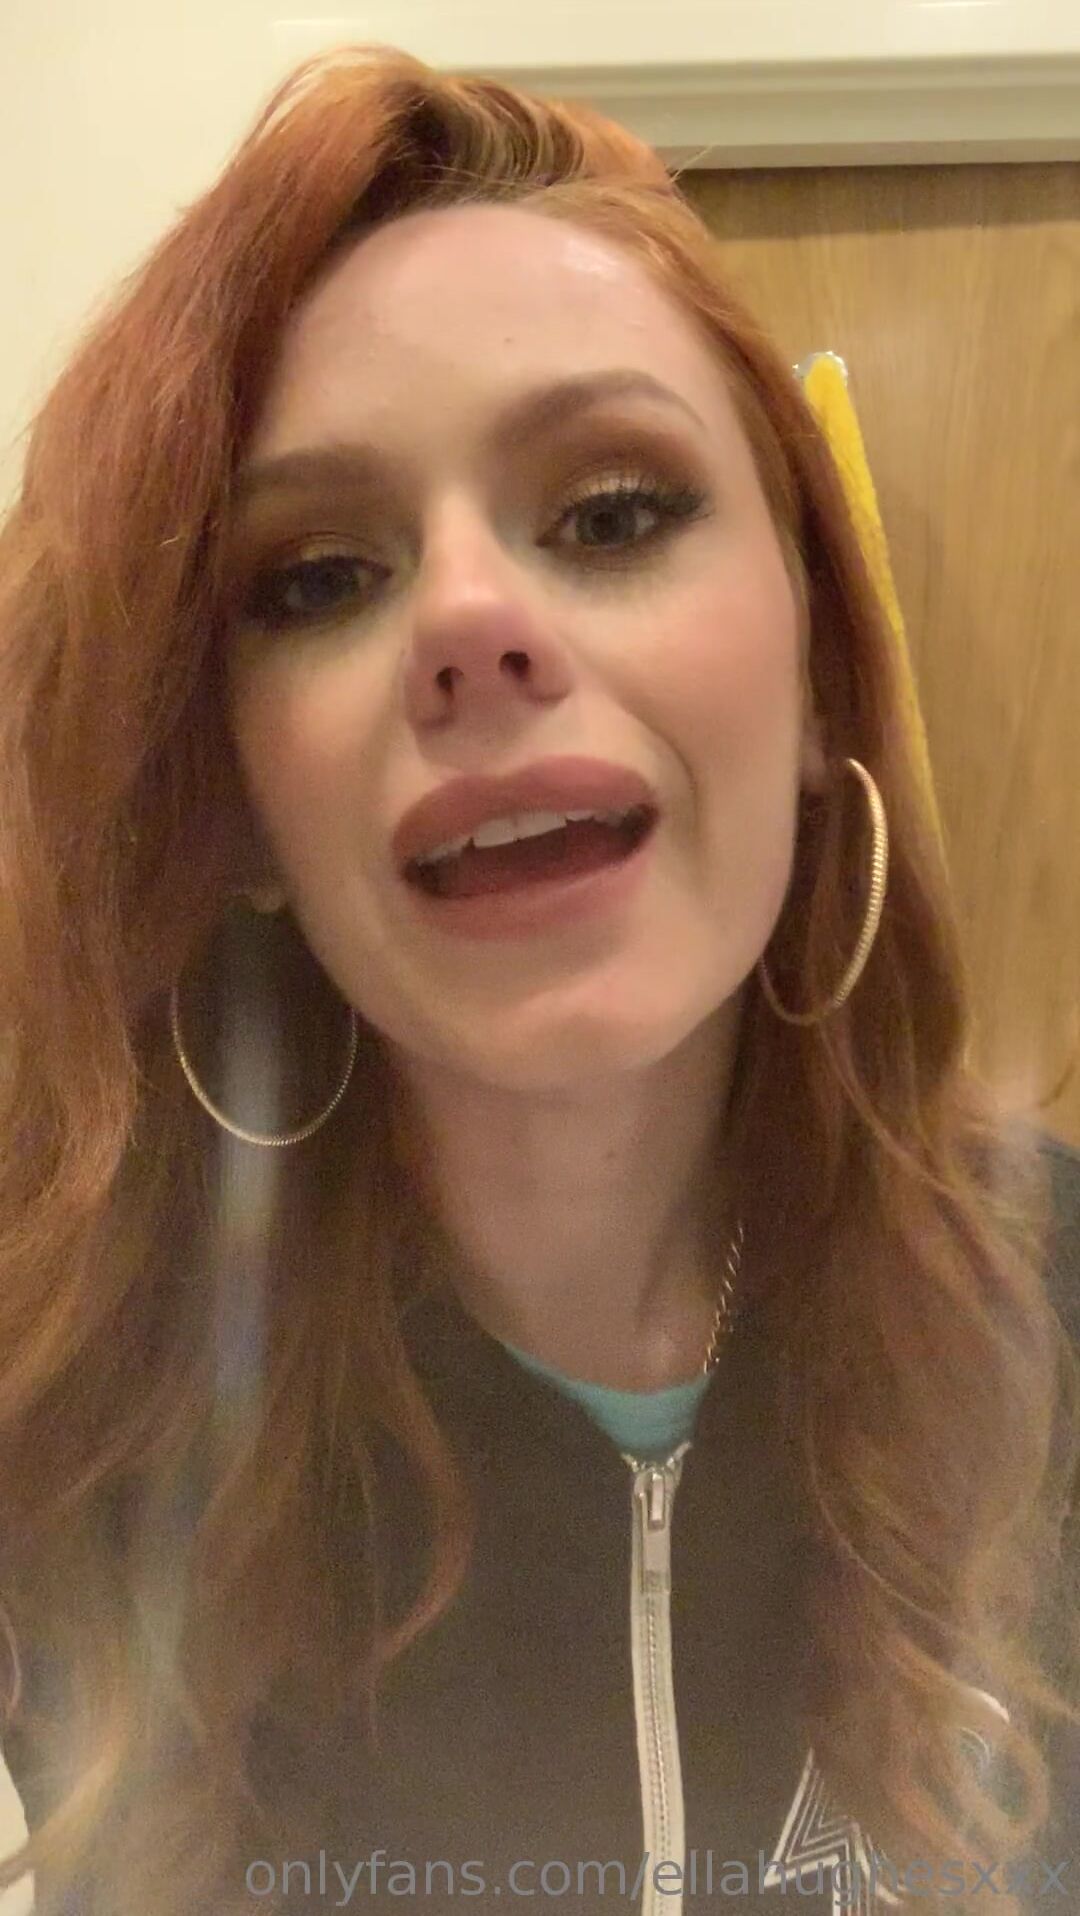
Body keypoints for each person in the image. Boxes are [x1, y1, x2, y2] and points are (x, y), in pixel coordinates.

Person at [0, 42, 1077, 1916]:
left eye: (612, 511)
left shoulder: (1052, 1307)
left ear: (819, 671)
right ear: (235, 804)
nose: (472, 624)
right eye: (317, 576)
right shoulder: (71, 1401)